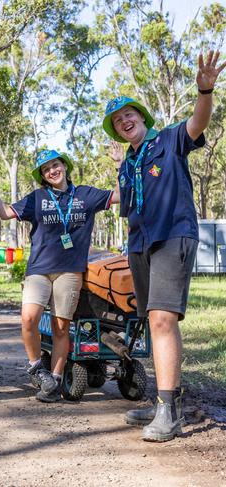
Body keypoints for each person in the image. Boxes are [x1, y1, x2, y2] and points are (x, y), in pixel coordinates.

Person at [103, 50, 225, 442]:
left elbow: (198, 121)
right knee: (150, 320)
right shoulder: (127, 164)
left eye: (129, 114)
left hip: (173, 235)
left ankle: (169, 411)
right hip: (139, 243)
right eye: (118, 120)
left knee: (162, 319)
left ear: (141, 116)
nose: (125, 121)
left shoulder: (170, 139)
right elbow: (127, 201)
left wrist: (204, 90)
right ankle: (160, 402)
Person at [0, 148, 120, 402]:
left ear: (64, 166)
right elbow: (5, 213)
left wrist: (119, 164)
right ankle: (37, 367)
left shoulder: (86, 195)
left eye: (55, 165)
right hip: (39, 270)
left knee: (61, 328)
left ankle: (55, 381)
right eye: (47, 170)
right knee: (28, 319)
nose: (52, 171)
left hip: (70, 271)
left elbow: (120, 196)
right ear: (43, 176)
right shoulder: (37, 198)